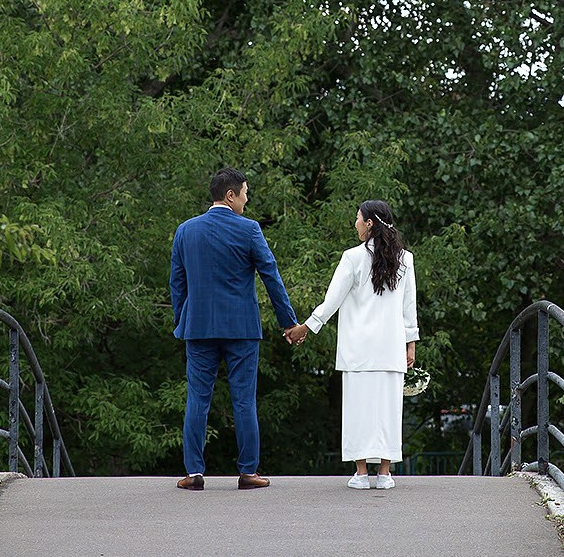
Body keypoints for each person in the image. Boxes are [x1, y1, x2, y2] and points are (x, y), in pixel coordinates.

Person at [170, 167, 299, 490]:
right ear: (230, 195)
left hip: (198, 328)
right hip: (241, 327)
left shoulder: (186, 231)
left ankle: (194, 473)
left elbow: (177, 283)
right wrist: (289, 322)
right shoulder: (249, 230)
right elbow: (271, 275)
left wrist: (182, 320)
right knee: (244, 400)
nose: (246, 199)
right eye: (244, 193)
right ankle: (248, 472)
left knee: (197, 399)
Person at [285, 199, 418, 490]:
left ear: (369, 223)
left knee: (358, 410)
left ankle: (360, 473)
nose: (355, 224)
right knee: (388, 410)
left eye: (358, 219)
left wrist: (306, 326)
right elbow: (410, 307)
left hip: (358, 349)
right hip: (390, 347)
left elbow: (332, 300)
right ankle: (384, 472)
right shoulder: (405, 259)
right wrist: (410, 343)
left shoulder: (352, 258)